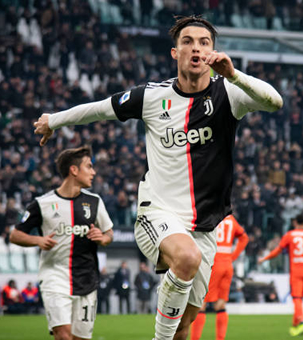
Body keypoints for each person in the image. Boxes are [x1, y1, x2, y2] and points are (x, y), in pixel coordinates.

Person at [32, 15, 282, 340]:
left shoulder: (229, 93)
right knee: (186, 259)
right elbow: (98, 109)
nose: (196, 48)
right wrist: (54, 120)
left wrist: (234, 75)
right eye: (188, 42)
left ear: (213, 53)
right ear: (174, 53)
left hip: (205, 226)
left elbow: (274, 102)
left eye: (204, 43)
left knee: (185, 326)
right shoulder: (151, 97)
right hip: (158, 212)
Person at [10, 146, 114, 340]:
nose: (94, 172)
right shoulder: (42, 204)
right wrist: (37, 240)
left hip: (86, 279)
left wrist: (103, 237)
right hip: (55, 276)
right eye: (89, 167)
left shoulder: (95, 202)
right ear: (74, 170)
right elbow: (15, 235)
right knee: (63, 335)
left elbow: (109, 233)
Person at [258, 214, 303, 337]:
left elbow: (277, 251)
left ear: (295, 223)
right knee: (300, 299)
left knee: (296, 298)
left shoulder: (290, 235)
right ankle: (294, 326)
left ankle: (302, 322)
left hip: (296, 270)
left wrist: (265, 258)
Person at [191, 214, 249, 340]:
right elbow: (244, 238)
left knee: (201, 304)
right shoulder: (231, 219)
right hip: (227, 264)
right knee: (220, 305)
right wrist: (233, 256)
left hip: (213, 263)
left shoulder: (210, 215)